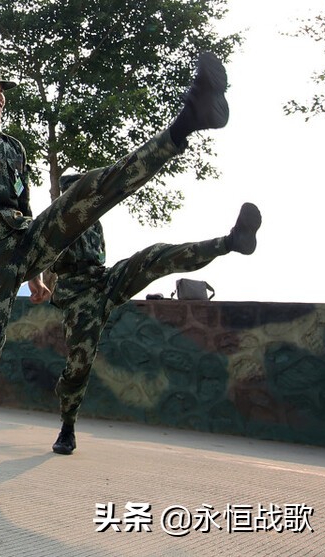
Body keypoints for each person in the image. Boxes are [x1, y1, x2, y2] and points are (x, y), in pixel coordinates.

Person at [0, 55, 230, 496]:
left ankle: (187, 120)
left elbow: (24, 207)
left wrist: (35, 271)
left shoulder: (14, 147)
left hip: (24, 241)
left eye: (1, 90)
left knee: (91, 189)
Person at [41, 176, 261, 455]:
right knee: (78, 365)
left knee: (154, 257)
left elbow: (100, 251)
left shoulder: (95, 220)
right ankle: (67, 426)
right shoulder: (55, 220)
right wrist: (39, 283)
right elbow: (35, 256)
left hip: (103, 280)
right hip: (77, 296)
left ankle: (230, 241)